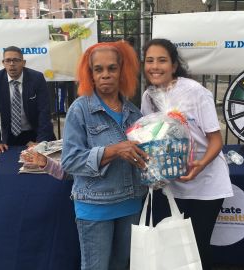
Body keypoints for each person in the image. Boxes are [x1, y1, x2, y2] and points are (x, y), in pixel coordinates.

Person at [141, 38, 233, 270]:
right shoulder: (148, 97)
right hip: (171, 184)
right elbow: (149, 139)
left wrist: (200, 164)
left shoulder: (195, 92)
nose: (155, 66)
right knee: (172, 247)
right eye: (149, 60)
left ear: (173, 65)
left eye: (162, 60)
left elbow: (215, 140)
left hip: (205, 185)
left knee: (197, 249)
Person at [61, 40, 148, 270]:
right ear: (89, 74)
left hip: (130, 203)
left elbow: (142, 158)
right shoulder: (79, 110)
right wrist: (114, 150)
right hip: (95, 206)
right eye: (98, 69)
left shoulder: (133, 112)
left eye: (112, 68)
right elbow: (69, 161)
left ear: (122, 71)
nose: (105, 75)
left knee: (122, 265)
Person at [0, 46, 55, 154]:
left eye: (16, 60)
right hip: (11, 136)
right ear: (3, 63)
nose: (12, 64)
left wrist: (41, 141)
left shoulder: (37, 78)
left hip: (35, 132)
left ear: (24, 62)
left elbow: (44, 112)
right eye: (8, 60)